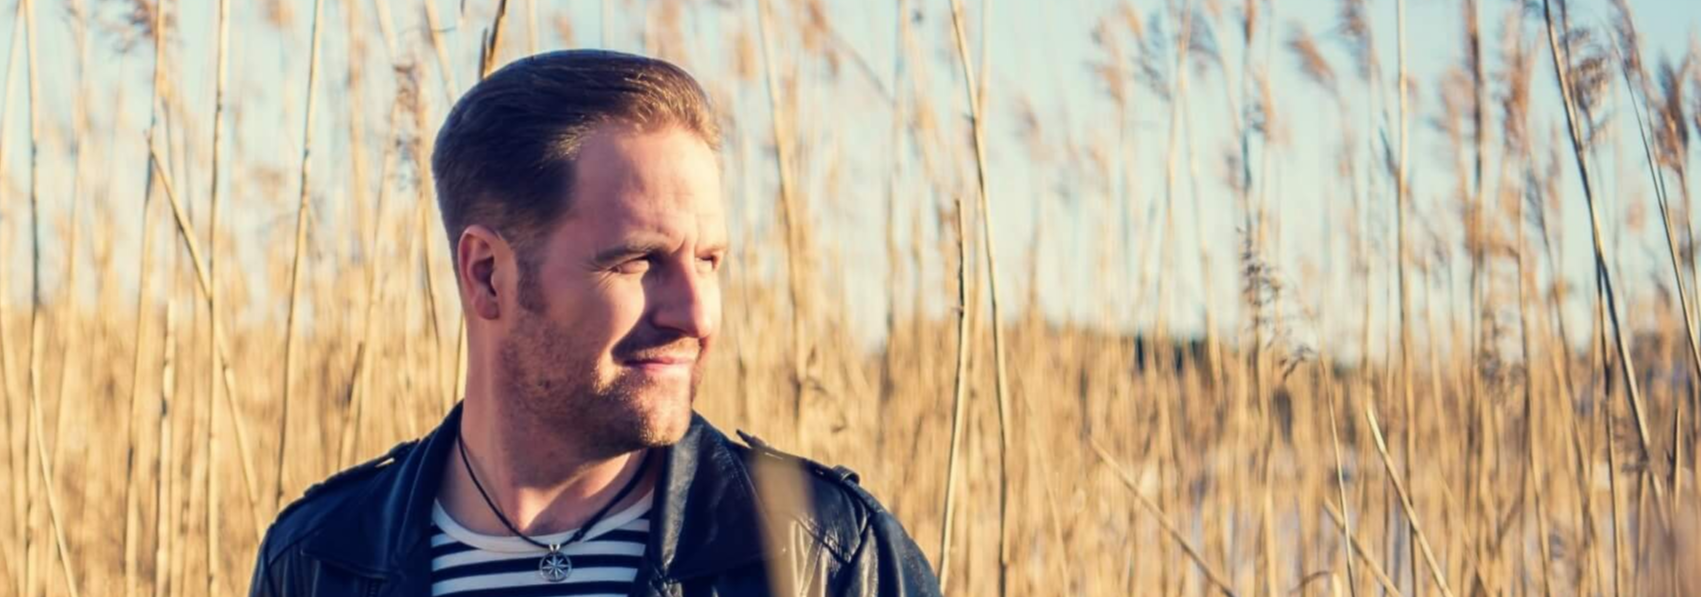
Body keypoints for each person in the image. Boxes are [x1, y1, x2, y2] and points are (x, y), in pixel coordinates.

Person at [247, 50, 941, 597]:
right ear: (487, 274)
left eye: (708, 260)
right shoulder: (323, 559)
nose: (696, 313)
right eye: (637, 261)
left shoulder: (824, 553)